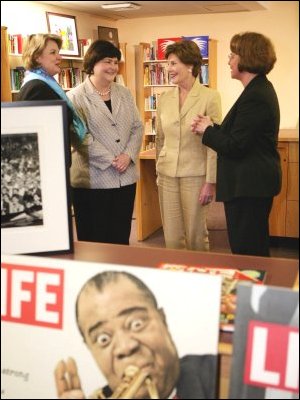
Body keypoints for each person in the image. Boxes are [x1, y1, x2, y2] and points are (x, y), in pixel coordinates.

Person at [54, 271, 217, 399]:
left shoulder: (217, 376)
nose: (125, 347)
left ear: (163, 320)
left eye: (136, 323)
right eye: (103, 339)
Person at [191, 32, 281, 257]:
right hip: (249, 185)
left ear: (246, 58)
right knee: (249, 248)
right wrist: (214, 126)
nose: (229, 61)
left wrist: (207, 130)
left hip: (249, 186)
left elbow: (236, 146)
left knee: (248, 251)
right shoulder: (256, 90)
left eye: (232, 55)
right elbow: (241, 135)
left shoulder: (256, 95)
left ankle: (252, 291)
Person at [66, 40, 143, 245]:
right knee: (95, 240)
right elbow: (80, 137)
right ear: (93, 62)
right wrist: (113, 160)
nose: (113, 67)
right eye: (107, 61)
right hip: (93, 181)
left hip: (124, 178)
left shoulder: (124, 93)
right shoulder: (75, 97)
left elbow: (137, 127)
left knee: (120, 236)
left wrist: (128, 155)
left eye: (116, 62)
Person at [156, 40, 222, 251]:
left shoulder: (210, 97)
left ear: (190, 66)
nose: (169, 69)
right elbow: (160, 138)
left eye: (174, 63)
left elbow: (214, 143)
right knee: (172, 239)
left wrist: (210, 181)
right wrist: (158, 170)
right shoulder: (164, 98)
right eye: (168, 64)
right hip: (166, 175)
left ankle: (201, 280)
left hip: (196, 175)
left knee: (195, 237)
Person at [18, 33, 87, 152]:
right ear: (37, 57)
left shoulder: (44, 83)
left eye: (58, 52)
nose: (60, 57)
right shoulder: (36, 88)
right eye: (53, 52)